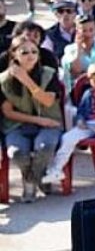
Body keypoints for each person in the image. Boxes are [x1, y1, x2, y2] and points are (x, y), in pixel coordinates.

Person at [41, 62, 95, 184]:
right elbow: (81, 110)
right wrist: (80, 120)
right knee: (67, 138)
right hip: (89, 123)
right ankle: (57, 169)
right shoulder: (88, 94)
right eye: (94, 82)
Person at [1, 36, 63, 203]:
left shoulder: (48, 74)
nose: (31, 56)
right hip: (17, 125)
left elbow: (48, 101)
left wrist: (26, 80)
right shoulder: (3, 80)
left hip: (49, 122)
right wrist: (37, 120)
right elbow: (8, 112)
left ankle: (30, 181)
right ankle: (40, 178)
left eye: (34, 52)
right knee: (16, 152)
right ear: (14, 55)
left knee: (45, 146)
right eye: (24, 52)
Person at [61, 14, 95, 88]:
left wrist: (86, 73)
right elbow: (75, 71)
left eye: (91, 30)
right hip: (79, 87)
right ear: (77, 31)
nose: (88, 34)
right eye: (84, 31)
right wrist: (79, 49)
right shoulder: (70, 49)